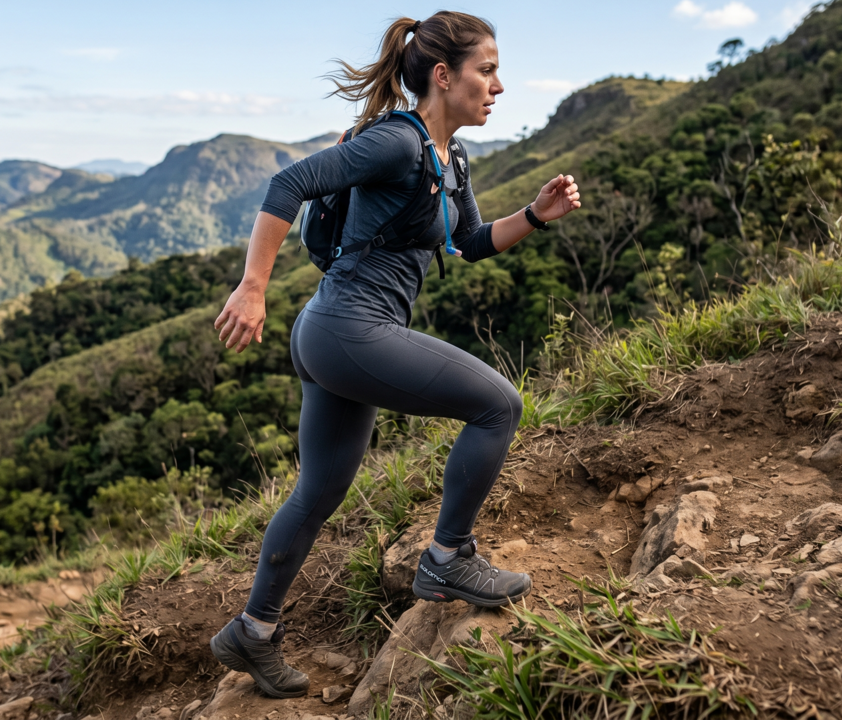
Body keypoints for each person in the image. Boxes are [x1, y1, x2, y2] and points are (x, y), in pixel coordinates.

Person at [208, 10, 581, 699]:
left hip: (334, 332)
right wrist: (253, 287)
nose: (498, 87)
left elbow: (467, 242)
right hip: (349, 327)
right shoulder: (397, 145)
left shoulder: (450, 158)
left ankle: (251, 632)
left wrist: (532, 215)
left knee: (319, 491)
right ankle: (447, 557)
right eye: (488, 71)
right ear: (445, 76)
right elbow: (287, 184)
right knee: (499, 405)